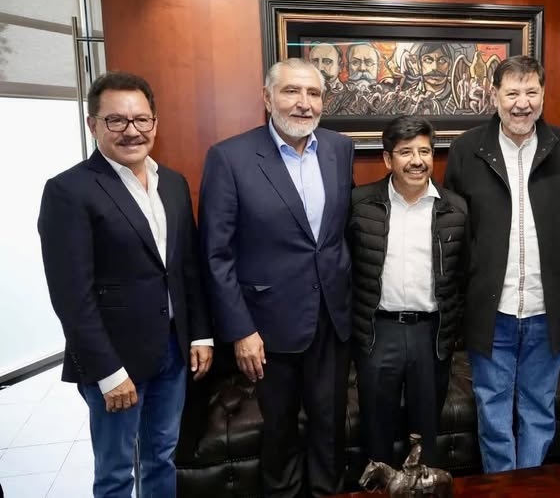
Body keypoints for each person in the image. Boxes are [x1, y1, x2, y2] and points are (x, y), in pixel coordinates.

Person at [38, 71, 213, 497]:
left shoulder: (172, 182)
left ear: (155, 122)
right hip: (115, 361)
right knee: (116, 473)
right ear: (92, 124)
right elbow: (71, 296)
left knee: (162, 457)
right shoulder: (69, 191)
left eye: (141, 119)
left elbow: (186, 268)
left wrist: (200, 334)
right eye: (116, 120)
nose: (131, 131)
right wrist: (108, 373)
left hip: (173, 350)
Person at [198, 57, 354, 497]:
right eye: (291, 91)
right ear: (267, 98)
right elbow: (215, 255)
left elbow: (338, 236)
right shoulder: (229, 158)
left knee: (330, 429)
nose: (304, 103)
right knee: (279, 433)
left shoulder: (339, 149)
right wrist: (241, 330)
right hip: (266, 328)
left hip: (331, 321)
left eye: (313, 93)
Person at [444, 55, 560, 473]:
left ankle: (530, 485)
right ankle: (502, 487)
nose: (522, 103)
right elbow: (452, 231)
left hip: (547, 308)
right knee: (492, 411)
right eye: (512, 93)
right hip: (491, 310)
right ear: (494, 95)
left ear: (543, 94)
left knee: (539, 408)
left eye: (531, 92)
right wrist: (457, 301)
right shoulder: (467, 150)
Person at [348, 115, 467, 468]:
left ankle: (421, 488)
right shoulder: (360, 204)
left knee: (425, 434)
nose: (417, 161)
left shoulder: (455, 208)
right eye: (406, 152)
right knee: (376, 432)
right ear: (388, 159)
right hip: (377, 332)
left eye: (425, 151)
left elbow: (463, 274)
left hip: (431, 334)